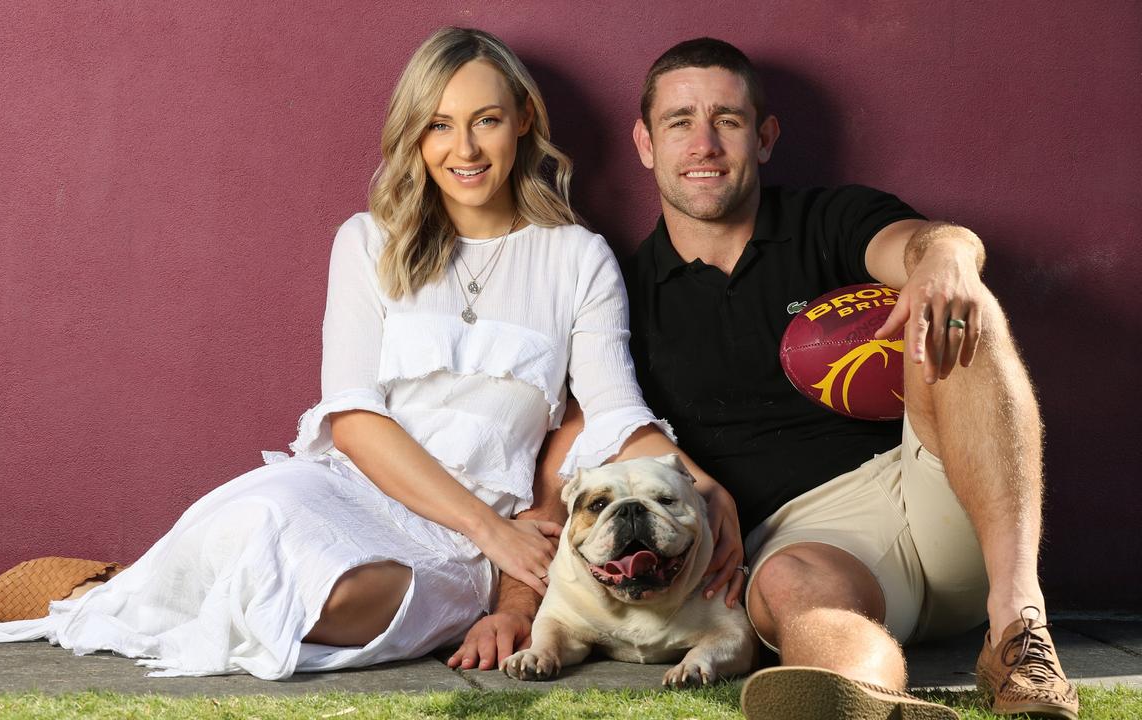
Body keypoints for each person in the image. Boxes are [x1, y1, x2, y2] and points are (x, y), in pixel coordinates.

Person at [0, 27, 743, 681]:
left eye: (486, 119)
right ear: (415, 136)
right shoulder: (367, 243)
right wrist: (492, 531)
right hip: (363, 490)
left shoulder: (577, 257)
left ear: (522, 120)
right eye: (439, 124)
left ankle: (147, 588)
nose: (465, 148)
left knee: (343, 602)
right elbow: (352, 417)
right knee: (263, 517)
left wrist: (697, 486)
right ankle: (119, 586)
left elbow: (613, 407)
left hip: (468, 539)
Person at [454, 38, 1078, 720]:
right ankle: (863, 701)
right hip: (810, 540)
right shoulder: (621, 295)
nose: (704, 144)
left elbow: (926, 245)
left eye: (727, 120)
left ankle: (1020, 633)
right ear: (644, 143)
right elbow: (571, 455)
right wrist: (517, 607)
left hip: (941, 482)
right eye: (678, 122)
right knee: (788, 587)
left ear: (764, 137)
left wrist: (951, 256)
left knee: (958, 311)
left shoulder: (829, 221)